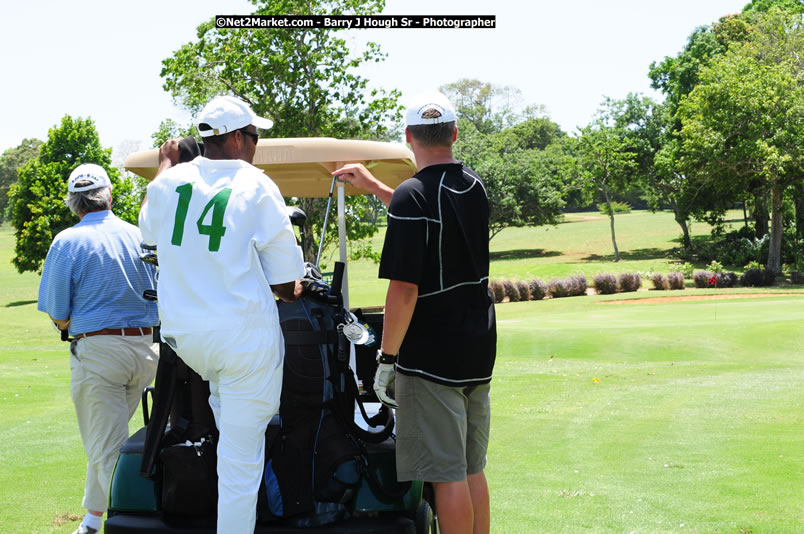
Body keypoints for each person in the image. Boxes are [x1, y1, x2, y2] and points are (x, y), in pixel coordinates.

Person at [138, 95, 305, 534]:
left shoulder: (167, 183)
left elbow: (148, 235)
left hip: (188, 340)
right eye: (254, 136)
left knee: (224, 412)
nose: (256, 145)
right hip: (242, 341)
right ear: (235, 137)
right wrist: (294, 288)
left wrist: (167, 162)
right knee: (240, 464)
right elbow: (285, 284)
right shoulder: (254, 183)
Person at [333, 91, 497, 534]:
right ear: (455, 134)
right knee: (471, 465)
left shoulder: (413, 195)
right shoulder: (474, 185)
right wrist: (376, 188)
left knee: (445, 473)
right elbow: (430, 216)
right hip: (477, 346)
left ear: (408, 137)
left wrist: (386, 360)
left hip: (432, 355)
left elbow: (404, 290)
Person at [38, 163, 160, 534]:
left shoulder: (67, 241)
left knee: (106, 446)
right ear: (109, 195)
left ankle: (139, 521)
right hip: (149, 350)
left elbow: (59, 313)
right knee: (105, 440)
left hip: (100, 353)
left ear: (74, 204)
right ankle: (92, 520)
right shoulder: (140, 234)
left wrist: (68, 325)